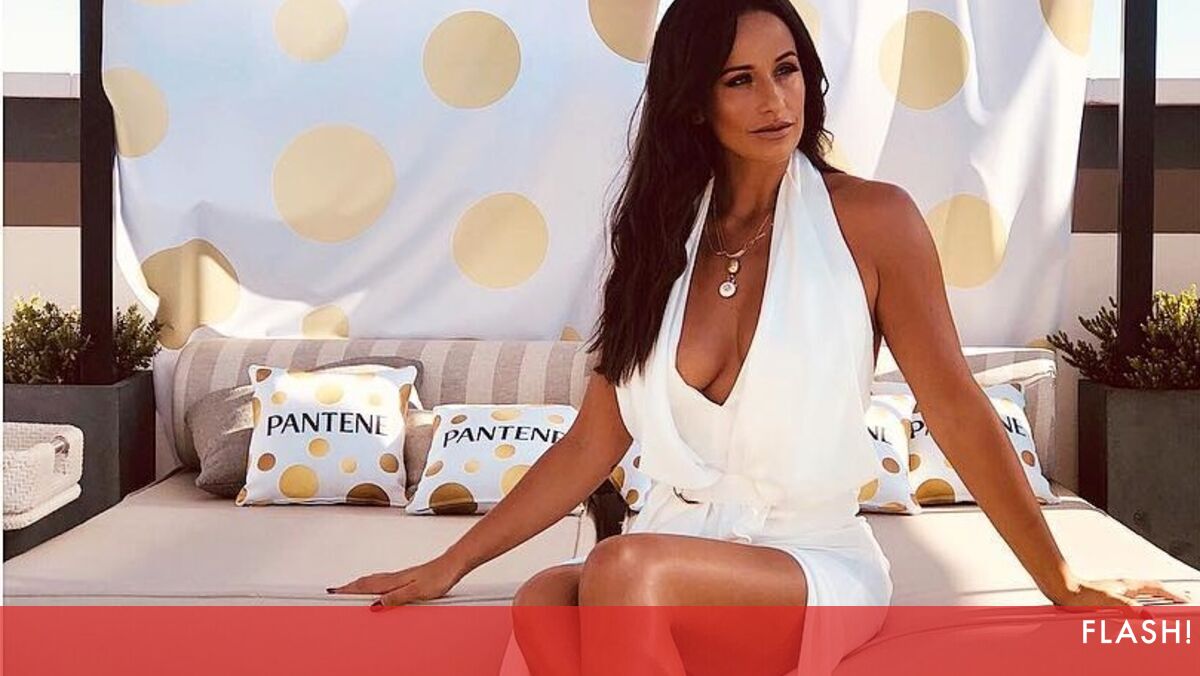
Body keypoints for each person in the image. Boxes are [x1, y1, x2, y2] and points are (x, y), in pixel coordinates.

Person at [330, 0, 1188, 672]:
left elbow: (958, 408)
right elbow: (593, 441)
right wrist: (449, 564)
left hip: (808, 567)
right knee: (546, 601)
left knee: (624, 568)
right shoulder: (657, 243)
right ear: (694, 104)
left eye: (787, 70)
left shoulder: (873, 220)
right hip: (675, 560)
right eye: (739, 80)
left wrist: (1060, 580)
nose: (775, 101)